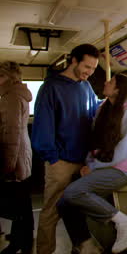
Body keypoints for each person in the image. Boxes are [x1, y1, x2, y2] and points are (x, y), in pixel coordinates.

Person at [57, 73, 127, 254]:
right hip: (108, 164)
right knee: (64, 203)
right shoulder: (105, 108)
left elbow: (125, 150)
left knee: (72, 192)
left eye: (111, 81)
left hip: (126, 168)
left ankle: (125, 222)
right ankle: (86, 246)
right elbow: (98, 143)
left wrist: (94, 167)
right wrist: (90, 162)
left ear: (118, 89)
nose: (106, 82)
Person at [31, 44, 100, 254]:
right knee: (52, 210)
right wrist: (51, 158)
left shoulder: (86, 87)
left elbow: (94, 115)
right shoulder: (51, 88)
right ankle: (45, 251)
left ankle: (78, 247)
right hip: (60, 161)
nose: (89, 72)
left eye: (93, 69)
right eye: (86, 67)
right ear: (73, 61)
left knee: (78, 209)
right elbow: (43, 127)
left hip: (84, 161)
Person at [0, 61, 34, 254]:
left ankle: (20, 243)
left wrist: (7, 167)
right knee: (23, 202)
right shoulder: (18, 95)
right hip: (23, 155)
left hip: (15, 158)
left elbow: (10, 135)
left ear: (9, 78)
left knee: (20, 204)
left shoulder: (11, 97)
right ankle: (23, 240)